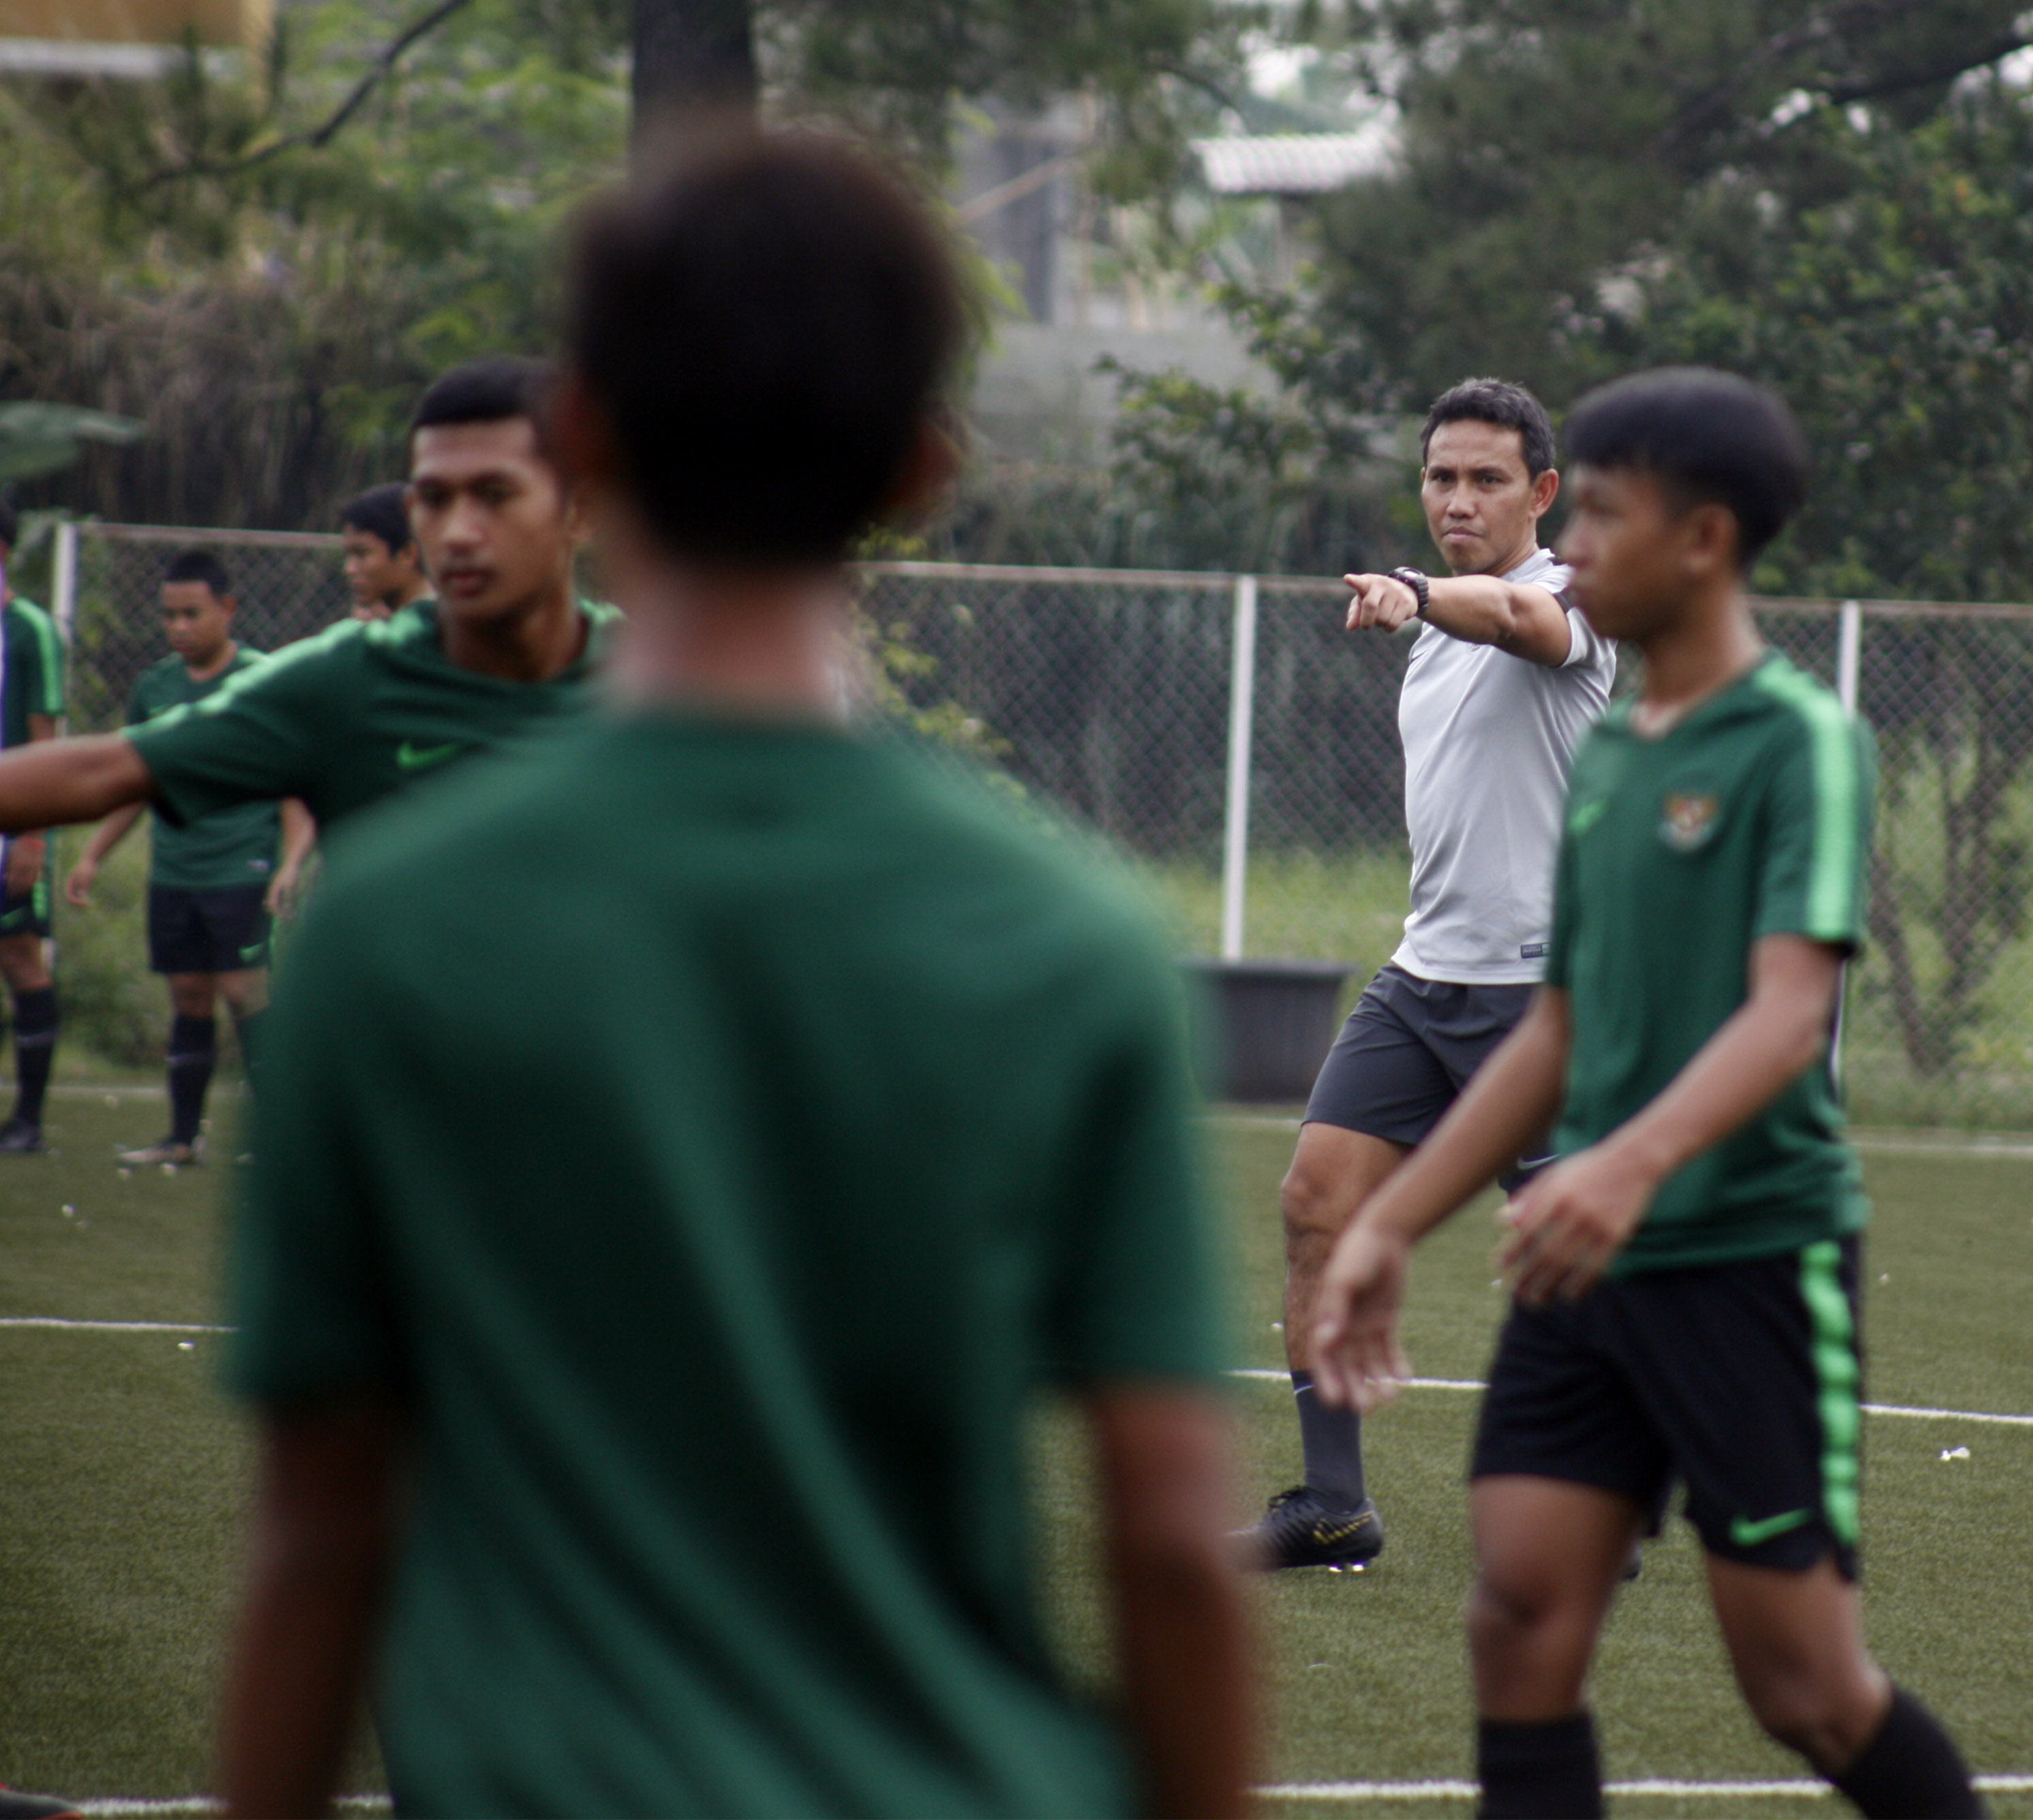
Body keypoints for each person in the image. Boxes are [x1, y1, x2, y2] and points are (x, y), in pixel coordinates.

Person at [212, 131, 1254, 1820]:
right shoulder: (1076, 943)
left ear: (590, 440)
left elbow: (324, 1535)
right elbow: (1168, 1542)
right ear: (920, 467)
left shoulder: (388, 931)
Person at [1310, 368, 1984, 1819]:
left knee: (1801, 1688)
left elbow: (1785, 1013)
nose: (1577, 547)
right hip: (1585, 1268)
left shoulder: (1793, 736)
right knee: (1516, 1619)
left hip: (1740, 1252)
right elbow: (1560, 1027)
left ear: (1707, 538)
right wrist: (1386, 1226)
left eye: (1605, 516)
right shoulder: (1619, 755)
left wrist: (1619, 1169)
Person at [1248, 377, 1617, 1571]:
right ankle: (1333, 1506)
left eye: (1486, 479)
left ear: (1542, 494)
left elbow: (1512, 616)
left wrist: (1416, 594)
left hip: (1548, 995)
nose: (1457, 498)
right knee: (1315, 1201)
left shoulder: (1570, 599)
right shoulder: (1429, 643)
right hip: (1423, 982)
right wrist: (1419, 605)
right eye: (1441, 477)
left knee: (1568, 1260)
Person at [0, 356, 610, 849]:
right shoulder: (349, 682)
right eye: (436, 498)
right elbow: (105, 770)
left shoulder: (664, 687)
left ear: (580, 510)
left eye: (495, 495)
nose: (457, 532)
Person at [66, 550, 313, 1167]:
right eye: (169, 615)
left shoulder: (263, 679)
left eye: (192, 614)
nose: (179, 628)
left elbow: (294, 784)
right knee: (189, 998)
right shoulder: (155, 687)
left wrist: (289, 863)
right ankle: (182, 1139)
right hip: (176, 869)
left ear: (227, 610)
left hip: (242, 868)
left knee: (244, 991)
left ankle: (283, 1140)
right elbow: (136, 781)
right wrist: (93, 853)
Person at [0, 498, 67, 1154]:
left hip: (10, 826)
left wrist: (33, 835)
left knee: (19, 958)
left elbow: (46, 741)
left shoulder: (29, 630)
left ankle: (29, 1121)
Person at [338, 484, 428, 621]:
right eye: (349, 555)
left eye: (362, 554)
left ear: (407, 554)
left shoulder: (446, 632)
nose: (349, 569)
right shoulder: (378, 631)